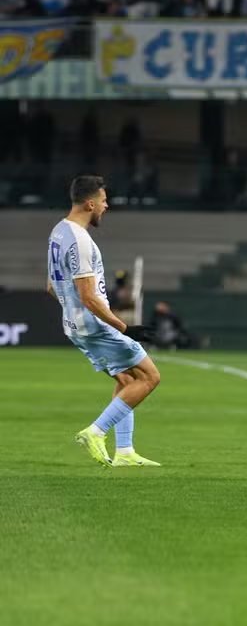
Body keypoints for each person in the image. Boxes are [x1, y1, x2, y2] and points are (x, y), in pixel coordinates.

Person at [46, 175, 161, 468]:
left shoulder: (58, 232)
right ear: (90, 203)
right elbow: (88, 296)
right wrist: (125, 328)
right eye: (103, 200)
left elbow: (51, 286)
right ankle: (95, 432)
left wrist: (72, 312)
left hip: (76, 325)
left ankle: (124, 451)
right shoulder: (81, 241)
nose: (106, 206)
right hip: (96, 326)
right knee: (149, 377)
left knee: (126, 379)